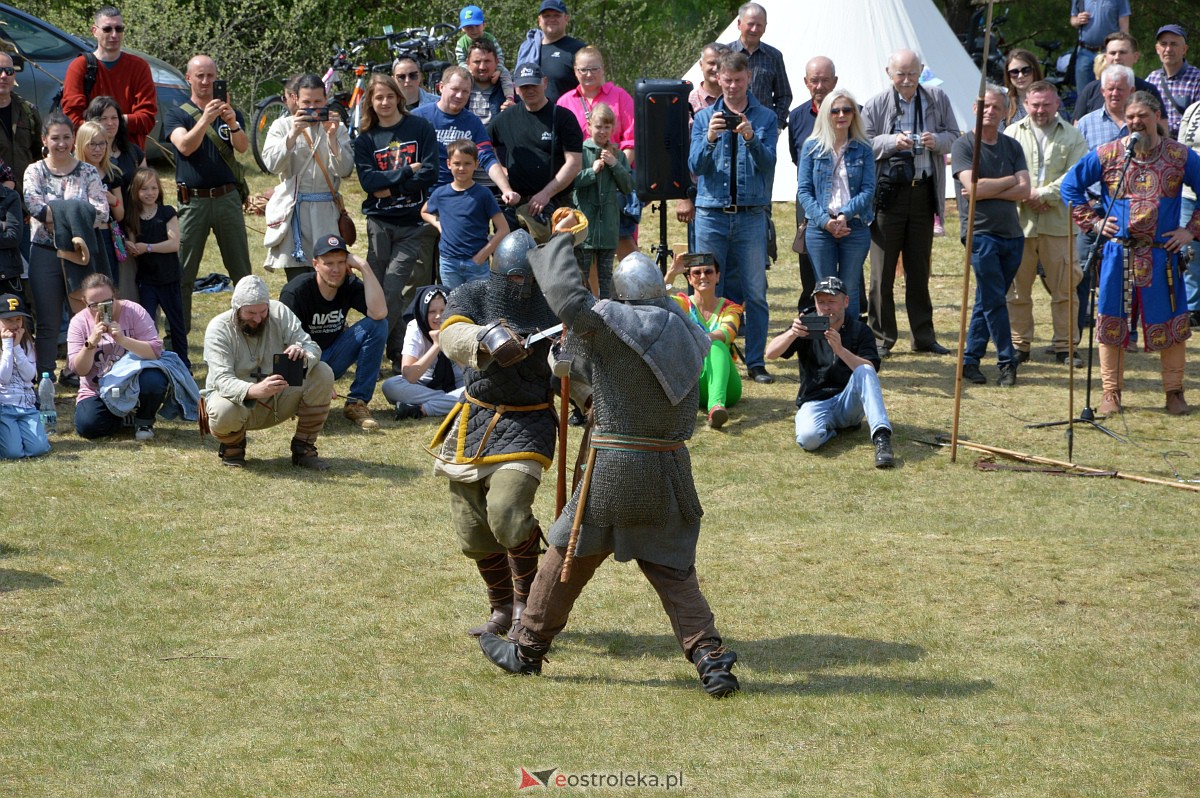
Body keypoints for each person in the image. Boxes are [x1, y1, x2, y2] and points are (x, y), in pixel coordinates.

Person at [478, 235, 741, 700]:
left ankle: (526, 650)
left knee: (563, 557)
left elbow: (568, 300)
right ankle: (711, 659)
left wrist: (560, 240)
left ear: (622, 295)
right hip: (669, 469)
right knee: (674, 573)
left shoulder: (612, 324)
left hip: (613, 470)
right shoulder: (687, 328)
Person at [428, 229, 556, 644]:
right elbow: (451, 334)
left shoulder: (552, 301)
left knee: (506, 511)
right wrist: (487, 338)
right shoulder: (474, 293)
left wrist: (581, 383)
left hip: (529, 424)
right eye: (514, 279)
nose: (521, 286)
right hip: (474, 421)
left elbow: (566, 359)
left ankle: (527, 608)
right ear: (499, 273)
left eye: (527, 278)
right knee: (471, 529)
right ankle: (501, 608)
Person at [1062, 91, 1199, 416]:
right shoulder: (1110, 154)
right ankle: (1111, 392)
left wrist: (1189, 231)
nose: (1137, 122)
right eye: (1131, 117)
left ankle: (1174, 392)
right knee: (1112, 321)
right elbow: (1070, 185)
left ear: (1157, 118)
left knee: (1172, 323)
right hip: (1117, 255)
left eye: (1143, 116)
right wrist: (1094, 222)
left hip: (1161, 256)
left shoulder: (1180, 156)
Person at [862, 49, 960, 358]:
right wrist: (893, 142)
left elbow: (954, 135)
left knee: (920, 269)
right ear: (888, 72)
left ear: (921, 72)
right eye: (901, 74)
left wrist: (936, 141)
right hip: (888, 195)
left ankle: (923, 336)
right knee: (882, 272)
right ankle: (881, 338)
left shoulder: (936, 98)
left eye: (912, 74)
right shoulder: (877, 103)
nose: (907, 81)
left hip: (923, 192)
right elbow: (863, 144)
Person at [689, 51, 777, 384]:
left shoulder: (765, 117)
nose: (733, 87)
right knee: (707, 288)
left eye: (739, 80)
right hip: (711, 213)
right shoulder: (702, 118)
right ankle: (707, 358)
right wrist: (710, 138)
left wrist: (752, 138)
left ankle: (755, 362)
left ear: (749, 78)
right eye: (727, 80)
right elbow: (694, 166)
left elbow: (769, 165)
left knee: (755, 291)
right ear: (718, 79)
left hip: (751, 214)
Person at [202, 275, 335, 469]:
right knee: (223, 411)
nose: (257, 318)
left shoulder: (279, 312)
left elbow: (311, 346)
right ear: (237, 309)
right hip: (237, 403)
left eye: (263, 311)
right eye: (250, 313)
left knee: (323, 372)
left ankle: (304, 448)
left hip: (279, 397)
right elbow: (221, 379)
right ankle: (233, 446)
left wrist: (303, 355)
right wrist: (254, 390)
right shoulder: (218, 328)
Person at [353, 73, 438, 374]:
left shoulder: (420, 128)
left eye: (389, 96)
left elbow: (429, 172)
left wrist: (388, 188)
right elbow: (367, 182)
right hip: (379, 223)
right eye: (378, 98)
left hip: (413, 223)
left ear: (399, 98)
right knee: (375, 293)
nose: (385, 102)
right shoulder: (366, 139)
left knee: (391, 290)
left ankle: (368, 355)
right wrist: (404, 174)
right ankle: (395, 352)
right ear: (371, 103)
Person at [766, 275, 894, 468]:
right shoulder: (806, 326)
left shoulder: (859, 330)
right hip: (815, 401)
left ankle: (881, 437)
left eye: (832, 302)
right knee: (808, 440)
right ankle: (831, 429)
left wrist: (840, 351)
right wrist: (792, 333)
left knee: (864, 370)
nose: (826, 308)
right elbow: (770, 354)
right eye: (821, 302)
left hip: (848, 402)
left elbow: (871, 369)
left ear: (846, 301)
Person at [1005, 82, 1089, 366]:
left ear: (1057, 104)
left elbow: (1076, 174)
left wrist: (1043, 194)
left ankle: (1066, 347)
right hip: (1020, 224)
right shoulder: (1012, 133)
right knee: (1017, 289)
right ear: (1026, 104)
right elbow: (1005, 171)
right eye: (1035, 104)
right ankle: (1019, 345)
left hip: (1058, 224)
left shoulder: (1073, 135)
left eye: (1046, 104)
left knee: (1065, 289)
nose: (1040, 110)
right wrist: (1027, 195)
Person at [952, 86, 1030, 387]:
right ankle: (1007, 362)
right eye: (986, 107)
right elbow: (973, 189)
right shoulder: (963, 146)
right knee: (996, 299)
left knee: (987, 297)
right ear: (975, 108)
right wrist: (1010, 182)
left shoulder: (1011, 146)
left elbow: (1024, 190)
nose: (991, 112)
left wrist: (989, 187)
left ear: (1005, 111)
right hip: (980, 234)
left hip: (1013, 235)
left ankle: (970, 360)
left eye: (997, 107)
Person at [168, 54, 251, 336]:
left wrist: (233, 122)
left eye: (211, 76)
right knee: (183, 273)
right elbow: (185, 147)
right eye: (200, 76)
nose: (206, 82)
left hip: (227, 198)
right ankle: (177, 339)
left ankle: (249, 330)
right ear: (188, 78)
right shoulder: (177, 113)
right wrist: (205, 118)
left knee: (242, 272)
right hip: (192, 201)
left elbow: (242, 148)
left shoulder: (231, 112)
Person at [22, 113, 109, 379]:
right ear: (44, 140)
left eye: (67, 137)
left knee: (84, 317)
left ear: (74, 139)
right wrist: (77, 213)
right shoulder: (34, 171)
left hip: (80, 255)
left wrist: (56, 214)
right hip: (45, 254)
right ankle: (45, 376)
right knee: (47, 322)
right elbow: (35, 207)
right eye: (55, 138)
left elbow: (102, 212)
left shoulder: (87, 171)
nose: (61, 143)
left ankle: (83, 373)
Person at [279, 234, 388, 430]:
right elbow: (283, 347)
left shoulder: (348, 284)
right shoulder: (296, 292)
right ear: (315, 264)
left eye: (341, 262)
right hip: (301, 364)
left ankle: (357, 403)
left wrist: (364, 266)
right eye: (328, 263)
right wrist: (316, 380)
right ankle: (298, 401)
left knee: (378, 325)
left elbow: (379, 312)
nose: (336, 270)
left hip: (331, 358)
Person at [261, 73, 353, 281]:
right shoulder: (282, 126)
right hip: (296, 210)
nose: (312, 107)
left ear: (326, 99)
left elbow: (345, 170)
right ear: (296, 100)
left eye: (318, 101)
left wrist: (331, 137)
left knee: (330, 275)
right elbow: (272, 165)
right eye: (307, 102)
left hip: (326, 212)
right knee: (299, 279)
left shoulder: (336, 127)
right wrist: (292, 134)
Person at [797, 88, 875, 321]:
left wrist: (844, 215)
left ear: (854, 114)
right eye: (835, 110)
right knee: (826, 290)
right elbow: (804, 191)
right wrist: (826, 221)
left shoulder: (863, 147)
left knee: (849, 288)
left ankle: (849, 346)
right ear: (826, 114)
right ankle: (827, 346)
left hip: (855, 226)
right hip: (820, 228)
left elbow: (868, 189)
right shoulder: (811, 147)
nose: (841, 115)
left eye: (847, 110)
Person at [556, 45, 637, 259]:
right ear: (575, 71)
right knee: (584, 241)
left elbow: (630, 141)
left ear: (603, 69)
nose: (589, 74)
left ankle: (633, 290)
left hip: (614, 177)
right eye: (583, 70)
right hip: (582, 178)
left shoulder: (620, 96)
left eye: (594, 68)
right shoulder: (565, 101)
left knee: (622, 238)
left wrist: (616, 170)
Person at [67, 273, 168, 440]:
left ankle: (144, 420)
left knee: (155, 379)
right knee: (87, 427)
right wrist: (91, 343)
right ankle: (123, 418)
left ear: (115, 295)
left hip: (133, 383)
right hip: (97, 390)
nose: (102, 309)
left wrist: (123, 340)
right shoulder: (79, 322)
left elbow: (155, 351)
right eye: (95, 305)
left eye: (107, 302)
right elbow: (80, 370)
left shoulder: (133, 311)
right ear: (84, 302)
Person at [488, 63, 583, 236]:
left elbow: (574, 163)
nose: (529, 90)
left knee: (557, 260)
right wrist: (502, 174)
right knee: (512, 261)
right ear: (516, 89)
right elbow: (483, 147)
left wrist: (545, 194)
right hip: (515, 206)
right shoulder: (505, 118)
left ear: (545, 82)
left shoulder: (563, 118)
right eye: (524, 86)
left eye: (534, 85)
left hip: (556, 204)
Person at [1074, 64, 1133, 339]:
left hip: (1129, 210)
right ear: (1102, 90)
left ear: (1131, 91)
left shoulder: (1140, 124)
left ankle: (1127, 334)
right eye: (1110, 88)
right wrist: (1088, 214)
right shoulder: (1086, 123)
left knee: (1127, 273)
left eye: (1121, 88)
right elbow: (1075, 171)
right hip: (1093, 209)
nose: (1115, 93)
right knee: (1080, 272)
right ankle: (1074, 332)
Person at [411, 65, 520, 202]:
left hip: (460, 195)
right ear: (441, 87)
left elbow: (486, 157)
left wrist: (506, 190)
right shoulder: (418, 117)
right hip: (423, 195)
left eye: (465, 91)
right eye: (455, 89)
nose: (459, 96)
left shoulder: (472, 122)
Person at [61, 6, 157, 151]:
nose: (114, 35)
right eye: (107, 29)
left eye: (119, 29)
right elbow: (72, 119)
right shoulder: (79, 66)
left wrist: (109, 121)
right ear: (95, 31)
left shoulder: (139, 67)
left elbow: (147, 120)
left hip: (128, 155)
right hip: (90, 155)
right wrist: (114, 124)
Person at [665, 251, 742, 428]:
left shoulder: (731, 307)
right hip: (692, 384)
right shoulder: (683, 304)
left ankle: (716, 407)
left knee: (716, 344)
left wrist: (698, 338)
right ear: (689, 279)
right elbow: (657, 301)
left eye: (708, 272)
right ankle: (713, 406)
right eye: (696, 273)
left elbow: (727, 332)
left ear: (717, 277)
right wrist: (672, 274)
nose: (703, 276)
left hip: (727, 387)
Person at [124, 166, 190, 372]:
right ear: (136, 192)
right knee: (147, 322)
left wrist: (148, 248)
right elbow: (133, 246)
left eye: (153, 188)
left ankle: (183, 364)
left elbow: (173, 244)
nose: (150, 193)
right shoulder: (132, 217)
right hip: (147, 280)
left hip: (169, 278)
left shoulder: (167, 212)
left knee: (176, 323)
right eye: (144, 189)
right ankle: (150, 361)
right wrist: (130, 245)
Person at [420, 139, 509, 289]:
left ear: (476, 164)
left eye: (467, 163)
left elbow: (503, 229)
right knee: (453, 305)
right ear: (449, 164)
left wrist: (484, 254)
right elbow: (424, 211)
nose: (462, 168)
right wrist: (438, 224)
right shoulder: (441, 193)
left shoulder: (483, 194)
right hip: (449, 263)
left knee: (478, 307)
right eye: (457, 163)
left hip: (476, 264)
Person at [787, 55, 839, 311]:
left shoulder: (853, 112)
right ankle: (810, 311)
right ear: (806, 83)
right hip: (809, 199)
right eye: (814, 81)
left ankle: (849, 314)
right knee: (808, 259)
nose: (820, 87)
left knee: (846, 259)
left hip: (843, 201)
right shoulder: (796, 117)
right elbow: (796, 158)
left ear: (835, 81)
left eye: (825, 81)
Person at [84, 95, 146, 300]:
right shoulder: (83, 165)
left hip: (135, 222)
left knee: (140, 281)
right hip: (108, 230)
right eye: (103, 118)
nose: (110, 123)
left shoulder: (133, 152)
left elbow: (148, 185)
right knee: (115, 284)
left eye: (115, 117)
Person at [571, 102, 633, 298]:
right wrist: (592, 171)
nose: (603, 131)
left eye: (607, 127)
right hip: (584, 227)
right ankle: (584, 314)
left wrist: (615, 165)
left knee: (606, 275)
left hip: (608, 227)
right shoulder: (579, 152)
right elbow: (571, 183)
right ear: (589, 126)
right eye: (598, 126)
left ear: (613, 128)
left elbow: (628, 187)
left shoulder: (619, 155)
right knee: (581, 276)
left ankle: (607, 313)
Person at [380, 284, 464, 419]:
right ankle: (451, 402)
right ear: (424, 312)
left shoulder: (459, 325)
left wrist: (451, 344)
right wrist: (437, 345)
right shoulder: (415, 327)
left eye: (443, 310)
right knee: (390, 386)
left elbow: (472, 375)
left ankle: (421, 409)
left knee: (479, 389)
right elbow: (409, 376)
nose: (439, 317)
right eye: (432, 312)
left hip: (458, 383)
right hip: (423, 385)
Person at [675, 43, 729, 229]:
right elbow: (678, 152)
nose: (715, 68)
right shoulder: (685, 104)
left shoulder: (738, 103)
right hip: (698, 191)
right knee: (703, 256)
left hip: (732, 189)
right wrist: (683, 196)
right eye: (711, 63)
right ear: (700, 64)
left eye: (721, 63)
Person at [727, 2, 791, 130]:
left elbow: (784, 95)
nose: (754, 29)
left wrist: (777, 124)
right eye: (750, 24)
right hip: (732, 128)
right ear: (739, 24)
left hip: (763, 129)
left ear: (765, 27)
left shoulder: (774, 56)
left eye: (759, 25)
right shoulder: (725, 53)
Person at [0, 293, 50, 459]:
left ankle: (21, 436)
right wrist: (7, 346)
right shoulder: (4, 346)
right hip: (4, 408)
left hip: (26, 406)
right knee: (13, 453)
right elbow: (3, 378)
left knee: (39, 449)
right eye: (8, 320)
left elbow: (29, 376)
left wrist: (17, 348)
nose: (15, 325)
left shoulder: (26, 342)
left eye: (18, 319)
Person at [1073, 32, 1162, 119]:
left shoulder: (1149, 91)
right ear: (1105, 57)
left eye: (1122, 52)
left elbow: (1162, 129)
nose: (1117, 57)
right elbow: (1077, 129)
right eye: (1112, 53)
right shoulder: (1090, 91)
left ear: (1135, 57)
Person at [73, 121, 118, 286]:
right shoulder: (71, 173)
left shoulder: (112, 173)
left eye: (102, 144)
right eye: (92, 144)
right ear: (80, 144)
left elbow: (121, 214)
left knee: (108, 284)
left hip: (105, 235)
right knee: (84, 285)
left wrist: (114, 201)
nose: (98, 149)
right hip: (80, 236)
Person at [515, 0, 586, 104]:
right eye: (546, 16)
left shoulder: (579, 50)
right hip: (531, 116)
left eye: (556, 15)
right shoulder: (528, 49)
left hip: (566, 116)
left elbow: (592, 86)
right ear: (539, 20)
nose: (551, 19)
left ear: (566, 18)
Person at [0, 50, 43, 215]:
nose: (4, 75)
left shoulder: (28, 111)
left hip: (25, 204)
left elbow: (40, 155)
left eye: (9, 71)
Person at [1146, 24, 1200, 138]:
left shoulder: (1196, 79)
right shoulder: (1152, 79)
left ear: (1184, 49)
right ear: (1157, 49)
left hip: (1187, 146)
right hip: (1158, 145)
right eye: (1163, 44)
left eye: (1174, 44)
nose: (1168, 49)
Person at [1069, 0, 1130, 94]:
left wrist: (1121, 50)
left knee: (1110, 90)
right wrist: (1077, 20)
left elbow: (1124, 27)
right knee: (1083, 93)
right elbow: (1072, 19)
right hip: (1085, 52)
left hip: (1108, 53)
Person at [453, 5, 513, 100]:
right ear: (463, 29)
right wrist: (469, 71)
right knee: (457, 76)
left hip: (493, 67)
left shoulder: (491, 39)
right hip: (469, 69)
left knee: (505, 73)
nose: (474, 30)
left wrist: (498, 70)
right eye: (469, 27)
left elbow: (499, 56)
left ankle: (509, 97)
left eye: (477, 26)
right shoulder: (461, 43)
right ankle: (461, 98)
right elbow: (460, 61)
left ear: (484, 25)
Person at [1179, 97, 1200, 328]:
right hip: (1190, 192)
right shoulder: (1194, 109)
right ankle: (1193, 308)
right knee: (1190, 252)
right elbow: (1181, 146)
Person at [466, 38, 513, 127]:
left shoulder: (508, 88)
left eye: (487, 61)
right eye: (477, 61)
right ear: (467, 63)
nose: (482, 67)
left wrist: (515, 110)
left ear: (497, 62)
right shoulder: (459, 90)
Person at [1003, 49, 1044, 127]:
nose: (1020, 76)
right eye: (1014, 72)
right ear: (1008, 75)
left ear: (1034, 71)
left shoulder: (1050, 98)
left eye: (1026, 70)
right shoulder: (1003, 102)